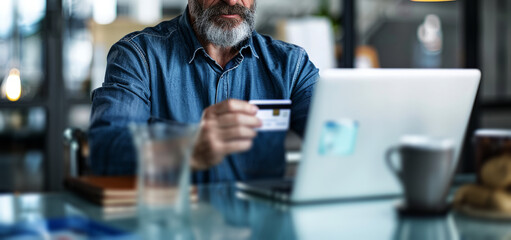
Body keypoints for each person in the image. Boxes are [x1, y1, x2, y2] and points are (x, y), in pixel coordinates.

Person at [88, 0, 319, 183]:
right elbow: (105, 150)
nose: (231, 1)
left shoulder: (292, 65)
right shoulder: (139, 56)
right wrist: (186, 149)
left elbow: (336, 138)